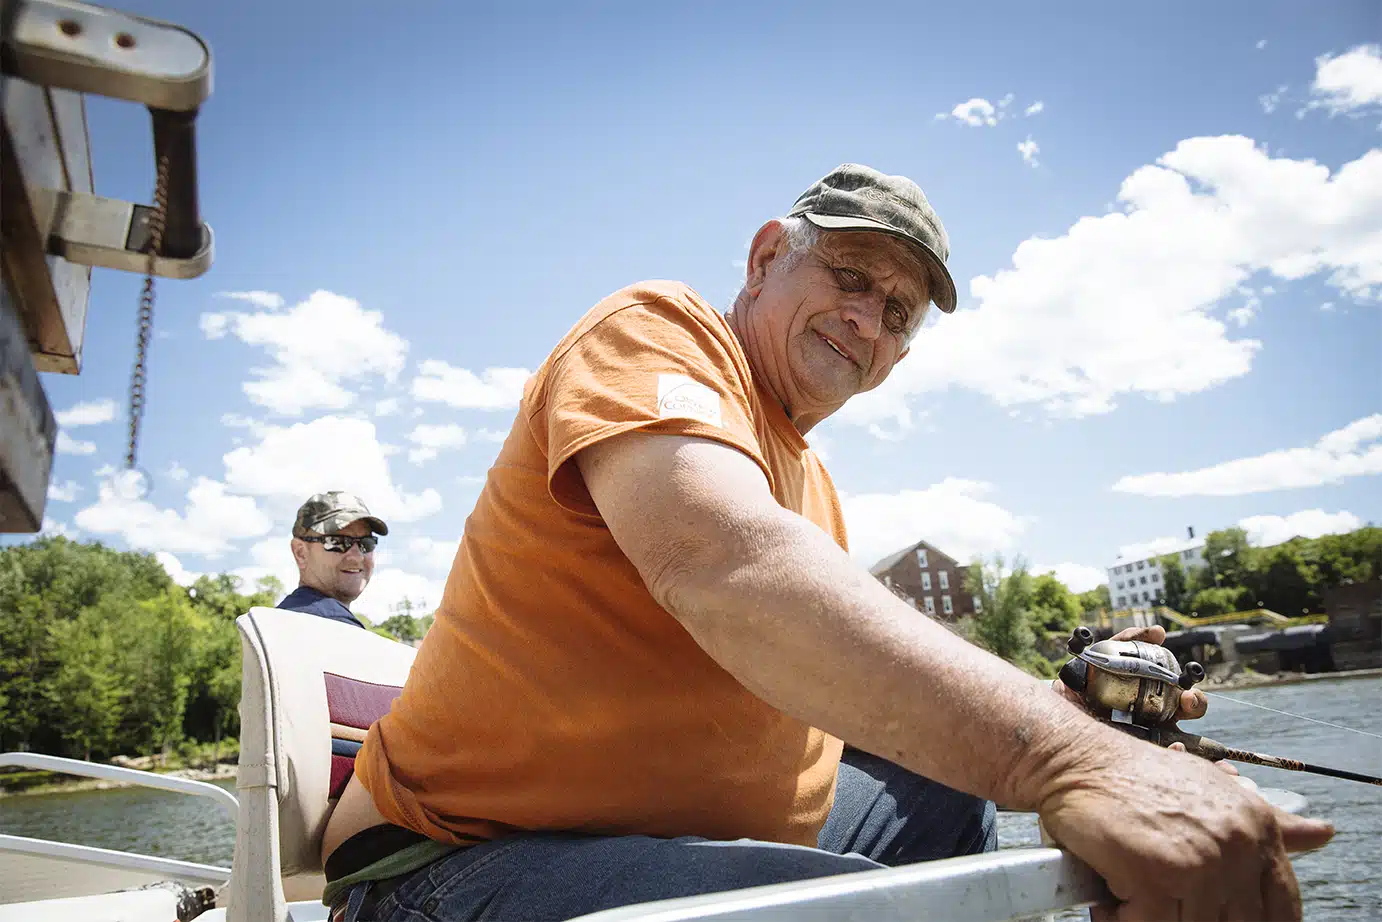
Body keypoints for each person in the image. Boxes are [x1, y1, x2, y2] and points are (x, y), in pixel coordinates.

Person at [320, 164, 1334, 922]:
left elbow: (822, 665)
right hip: (448, 863)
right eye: (849, 274)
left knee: (940, 798)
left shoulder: (808, 476)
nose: (866, 318)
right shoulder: (653, 332)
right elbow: (726, 566)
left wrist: (1064, 714)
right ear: (766, 258)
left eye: (897, 312)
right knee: (854, 909)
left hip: (670, 839)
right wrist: (1070, 762)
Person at [277, 491, 387, 629]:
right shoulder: (335, 627)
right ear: (301, 553)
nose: (357, 556)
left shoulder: (278, 620)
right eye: (336, 542)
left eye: (366, 543)